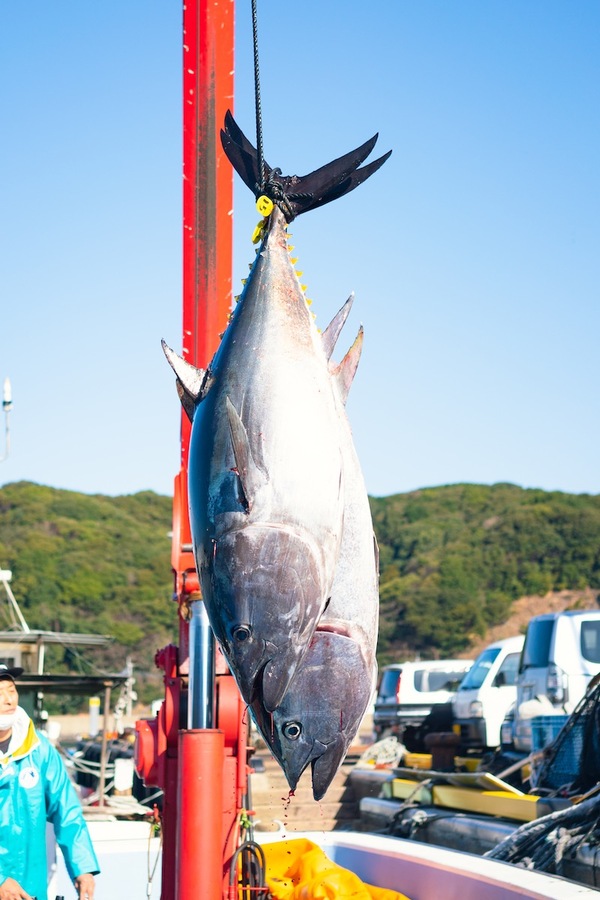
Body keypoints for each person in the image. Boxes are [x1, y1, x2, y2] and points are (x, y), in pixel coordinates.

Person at [0, 665, 99, 899]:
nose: (8, 700)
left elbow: (67, 810)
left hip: (30, 889)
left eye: (11, 690)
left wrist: (82, 866)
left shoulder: (39, 749)